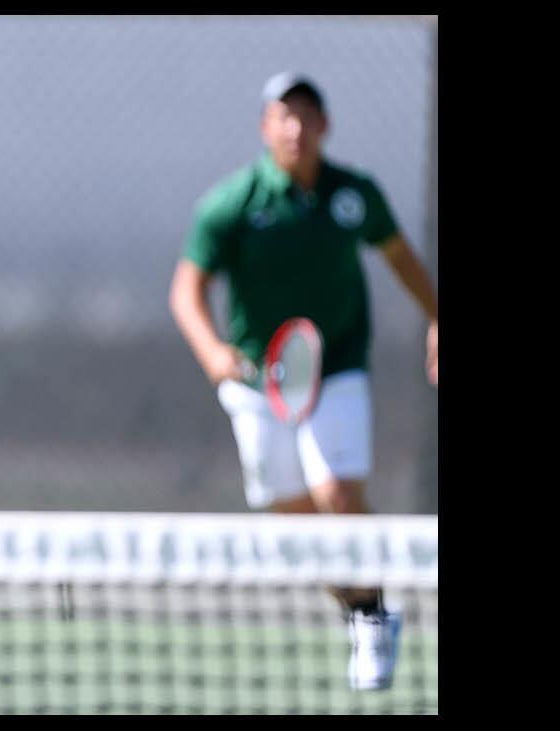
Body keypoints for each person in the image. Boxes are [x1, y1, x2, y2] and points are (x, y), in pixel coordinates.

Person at [168, 72, 438, 691]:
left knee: (337, 495)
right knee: (294, 517)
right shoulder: (230, 203)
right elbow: (186, 290)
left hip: (336, 367)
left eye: (307, 115)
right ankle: (361, 604)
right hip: (256, 381)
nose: (296, 127)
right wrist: (213, 350)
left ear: (325, 126)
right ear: (266, 128)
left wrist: (436, 316)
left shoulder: (354, 195)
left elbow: (399, 256)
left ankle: (370, 611)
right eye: (283, 116)